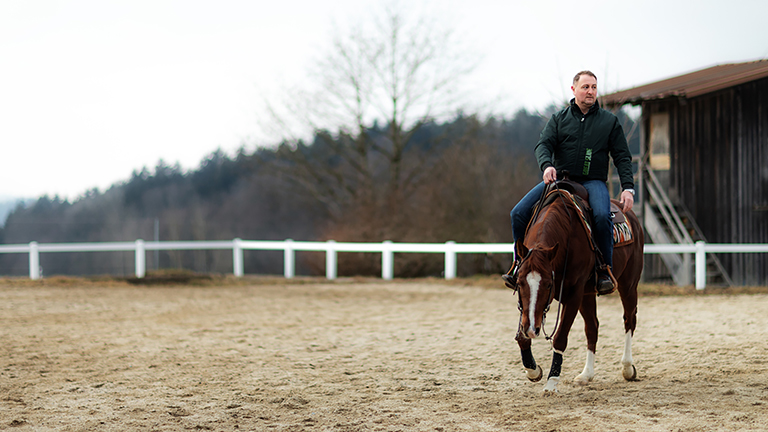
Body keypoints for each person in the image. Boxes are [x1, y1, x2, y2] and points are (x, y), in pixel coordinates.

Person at [505, 70, 635, 295]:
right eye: (585, 87)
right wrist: (547, 166)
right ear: (574, 89)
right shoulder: (559, 119)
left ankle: (604, 270)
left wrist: (628, 188)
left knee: (602, 216)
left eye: (594, 87)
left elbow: (622, 156)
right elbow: (543, 145)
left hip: (592, 182)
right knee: (517, 213)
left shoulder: (609, 122)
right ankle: (520, 263)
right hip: (559, 180)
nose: (590, 91)